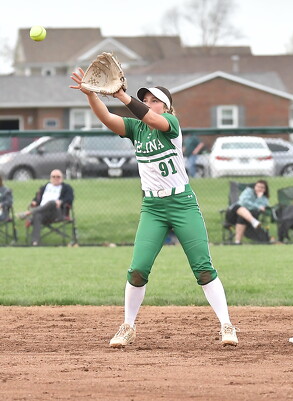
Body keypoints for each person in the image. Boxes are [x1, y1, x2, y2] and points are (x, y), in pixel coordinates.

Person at [69, 69, 238, 347]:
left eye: (154, 100)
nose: (148, 103)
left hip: (182, 204)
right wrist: (91, 96)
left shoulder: (170, 123)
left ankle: (226, 324)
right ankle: (128, 326)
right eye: (145, 99)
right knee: (138, 269)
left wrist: (122, 96)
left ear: (167, 107)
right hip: (153, 208)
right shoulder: (136, 129)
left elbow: (150, 117)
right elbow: (107, 119)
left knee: (203, 269)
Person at [17, 169, 74, 246]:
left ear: (62, 178)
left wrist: (61, 202)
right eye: (53, 177)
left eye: (58, 177)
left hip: (57, 212)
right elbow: (37, 198)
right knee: (37, 216)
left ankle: (28, 213)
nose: (56, 178)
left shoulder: (67, 188)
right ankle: (35, 242)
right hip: (42, 213)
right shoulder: (45, 187)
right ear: (50, 178)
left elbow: (69, 199)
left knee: (52, 202)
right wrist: (34, 202)